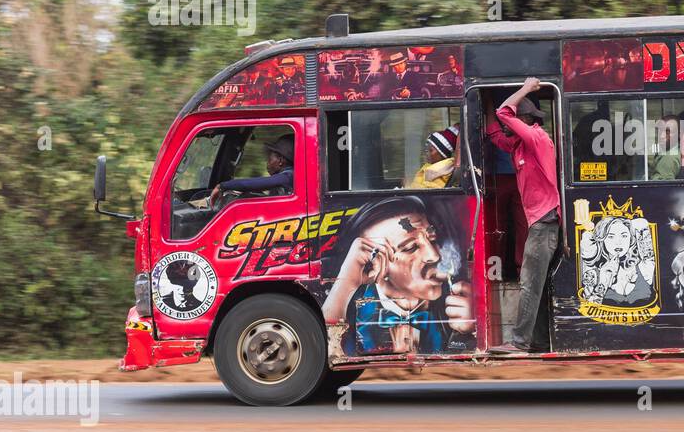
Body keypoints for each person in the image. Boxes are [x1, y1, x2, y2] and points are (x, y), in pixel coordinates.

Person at [321, 196, 474, 354]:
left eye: (432, 238)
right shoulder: (349, 305)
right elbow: (328, 351)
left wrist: (469, 331)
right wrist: (345, 283)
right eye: (410, 247)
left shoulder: (458, 297)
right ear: (374, 261)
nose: (434, 255)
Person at [487, 78, 560, 353]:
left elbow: (504, 113)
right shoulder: (519, 145)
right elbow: (496, 132)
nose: (507, 127)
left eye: (512, 123)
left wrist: (527, 88)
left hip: (544, 222)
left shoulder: (537, 138)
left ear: (524, 120)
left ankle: (519, 342)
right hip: (539, 223)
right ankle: (539, 341)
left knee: (529, 284)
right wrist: (486, 104)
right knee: (536, 285)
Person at [210, 133, 294, 204]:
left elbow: (254, 183)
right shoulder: (289, 175)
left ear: (280, 161)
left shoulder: (288, 176)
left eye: (269, 158)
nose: (267, 162)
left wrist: (222, 186)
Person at [651, 113, 682, 180]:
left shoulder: (669, 158)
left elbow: (661, 187)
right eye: (660, 130)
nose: (661, 136)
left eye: (668, 132)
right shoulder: (666, 150)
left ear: (679, 134)